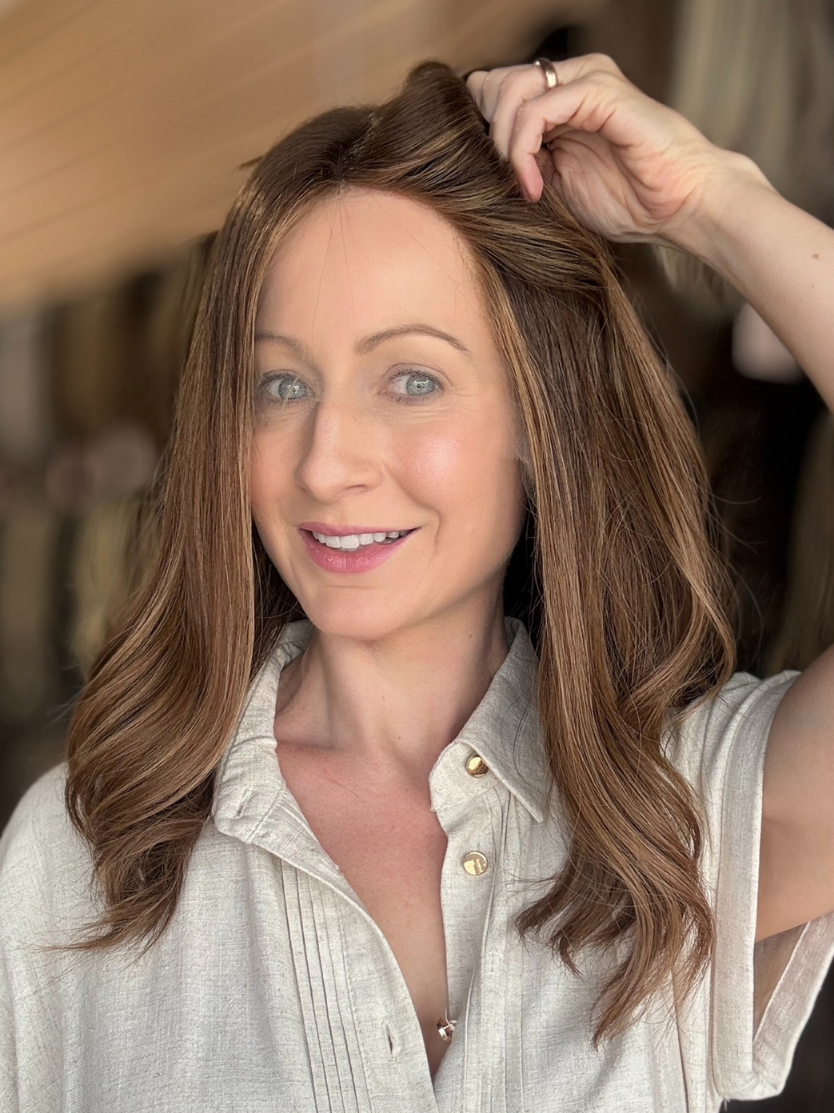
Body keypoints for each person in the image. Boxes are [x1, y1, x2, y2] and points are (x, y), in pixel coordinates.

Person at [1, 53, 833, 1113]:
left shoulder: (675, 819)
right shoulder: (77, 867)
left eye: (411, 379)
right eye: (281, 384)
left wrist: (716, 203)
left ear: (538, 418)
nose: (325, 462)